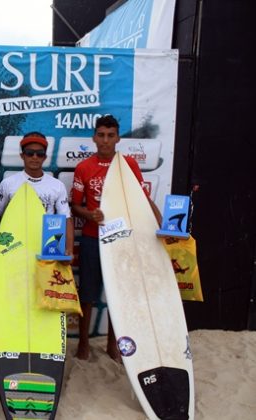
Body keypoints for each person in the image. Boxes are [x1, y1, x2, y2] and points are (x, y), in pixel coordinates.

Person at [70, 115, 162, 361]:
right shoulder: (84, 167)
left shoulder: (128, 164)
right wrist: (90, 214)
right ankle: (83, 344)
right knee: (88, 295)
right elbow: (75, 206)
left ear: (118, 138)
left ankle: (113, 345)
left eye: (110, 135)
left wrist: (161, 223)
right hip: (91, 238)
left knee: (118, 296)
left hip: (122, 240)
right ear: (94, 137)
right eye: (101, 135)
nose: (105, 140)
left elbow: (142, 199)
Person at [0, 131, 74, 256]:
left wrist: (70, 250)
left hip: (45, 248)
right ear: (22, 155)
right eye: (30, 153)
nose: (35, 157)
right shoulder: (8, 183)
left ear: (45, 157)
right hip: (14, 247)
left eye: (39, 154)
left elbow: (66, 219)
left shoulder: (57, 185)